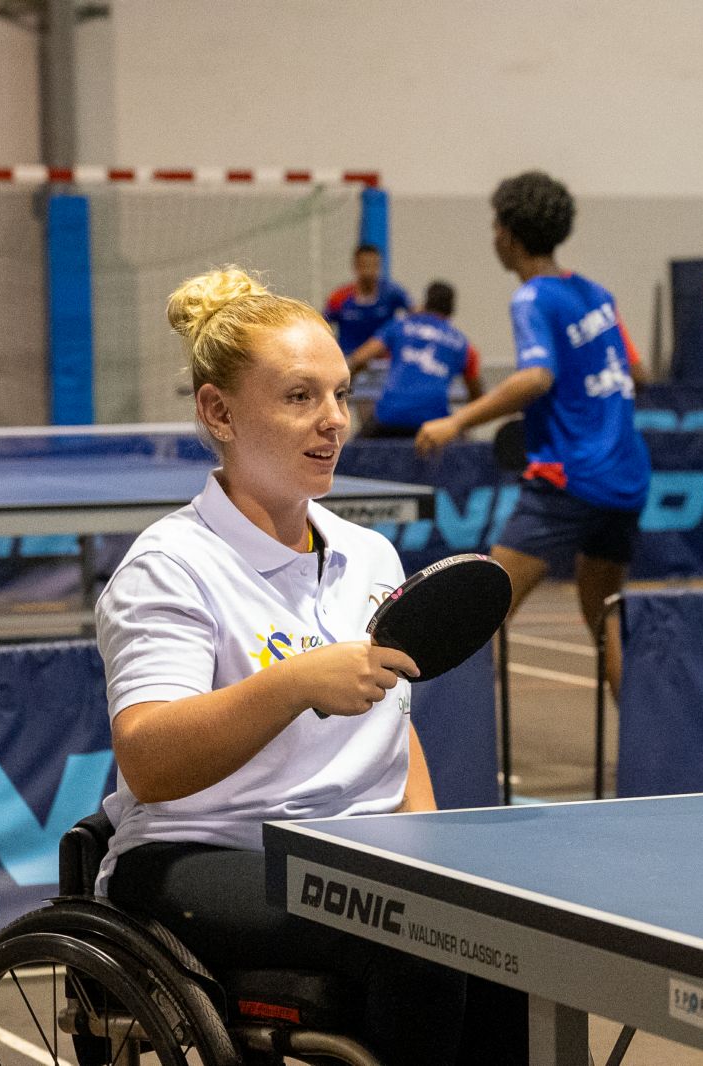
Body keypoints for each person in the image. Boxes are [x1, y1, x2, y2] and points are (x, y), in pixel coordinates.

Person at [96, 267, 466, 1063]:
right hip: (205, 854)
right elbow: (149, 759)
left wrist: (434, 845)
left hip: (354, 853)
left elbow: (397, 735)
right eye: (300, 397)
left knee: (506, 936)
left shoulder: (369, 554)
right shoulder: (170, 565)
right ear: (217, 412)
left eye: (340, 394)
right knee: (423, 935)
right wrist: (295, 683)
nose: (334, 421)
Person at [416, 170, 650, 697]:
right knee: (604, 617)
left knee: (483, 612)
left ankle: (469, 759)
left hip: (570, 478)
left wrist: (457, 420)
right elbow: (638, 373)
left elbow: (538, 376)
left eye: (496, 224)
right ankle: (650, 752)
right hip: (626, 478)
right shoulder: (597, 294)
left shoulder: (532, 299)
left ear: (509, 235)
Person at [346, 280, 485, 437]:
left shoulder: (400, 326)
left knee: (353, 456)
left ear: (425, 303)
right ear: (452, 309)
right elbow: (477, 395)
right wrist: (462, 426)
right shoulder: (464, 345)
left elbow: (358, 358)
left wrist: (340, 392)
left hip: (389, 416)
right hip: (434, 422)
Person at [324, 243, 411, 356]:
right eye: (364, 265)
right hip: (350, 362)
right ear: (355, 266)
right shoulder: (340, 297)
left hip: (384, 364)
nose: (369, 271)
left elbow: (417, 314)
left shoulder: (392, 293)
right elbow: (322, 325)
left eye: (373, 265)